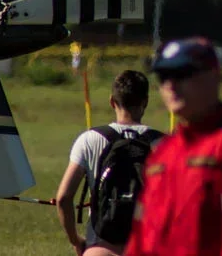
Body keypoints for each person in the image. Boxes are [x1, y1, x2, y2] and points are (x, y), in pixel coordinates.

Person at [123, 37, 222, 256]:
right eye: (164, 76)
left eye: (182, 74)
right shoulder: (163, 151)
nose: (171, 85)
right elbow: (141, 235)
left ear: (213, 76)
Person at [56, 70, 163, 256]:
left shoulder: (89, 139)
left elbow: (64, 198)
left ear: (112, 101)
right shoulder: (164, 144)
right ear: (145, 102)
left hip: (101, 245)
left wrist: (75, 240)